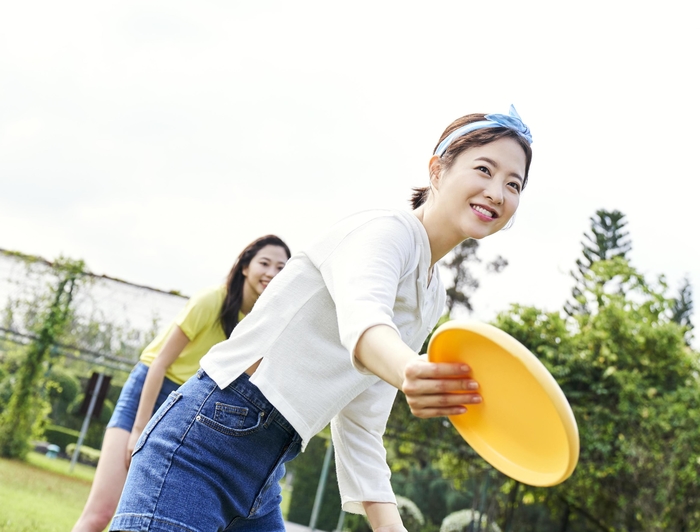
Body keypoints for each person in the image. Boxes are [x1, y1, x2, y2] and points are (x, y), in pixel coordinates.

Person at [110, 106, 533, 532]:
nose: (497, 192)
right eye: (484, 169)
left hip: (267, 469)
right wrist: (410, 370)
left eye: (513, 184)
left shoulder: (431, 294)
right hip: (204, 444)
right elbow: (364, 321)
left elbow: (363, 421)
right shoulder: (386, 232)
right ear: (437, 170)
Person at [72, 235, 291, 532]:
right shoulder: (212, 300)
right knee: (100, 513)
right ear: (244, 266)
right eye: (264, 263)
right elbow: (159, 363)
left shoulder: (263, 322)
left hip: (191, 408)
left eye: (281, 268)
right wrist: (139, 429)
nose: (272, 273)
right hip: (151, 391)